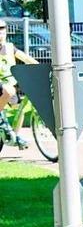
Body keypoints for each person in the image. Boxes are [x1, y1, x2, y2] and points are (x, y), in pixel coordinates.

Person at [0, 19, 39, 149]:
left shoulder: (10, 47)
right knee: (9, 91)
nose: (0, 34)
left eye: (2, 30)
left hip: (10, 86)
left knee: (21, 107)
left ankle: (13, 136)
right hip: (2, 86)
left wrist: (42, 68)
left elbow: (26, 58)